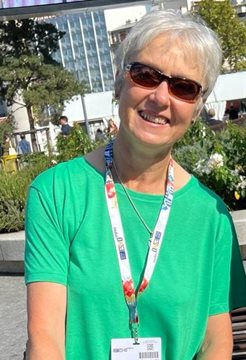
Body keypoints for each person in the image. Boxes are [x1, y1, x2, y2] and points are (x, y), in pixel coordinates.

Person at [25, 10, 246, 360]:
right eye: (145, 75)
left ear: (198, 106)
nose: (160, 97)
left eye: (183, 87)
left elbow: (215, 343)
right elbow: (45, 339)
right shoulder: (56, 193)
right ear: (119, 81)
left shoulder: (211, 217)